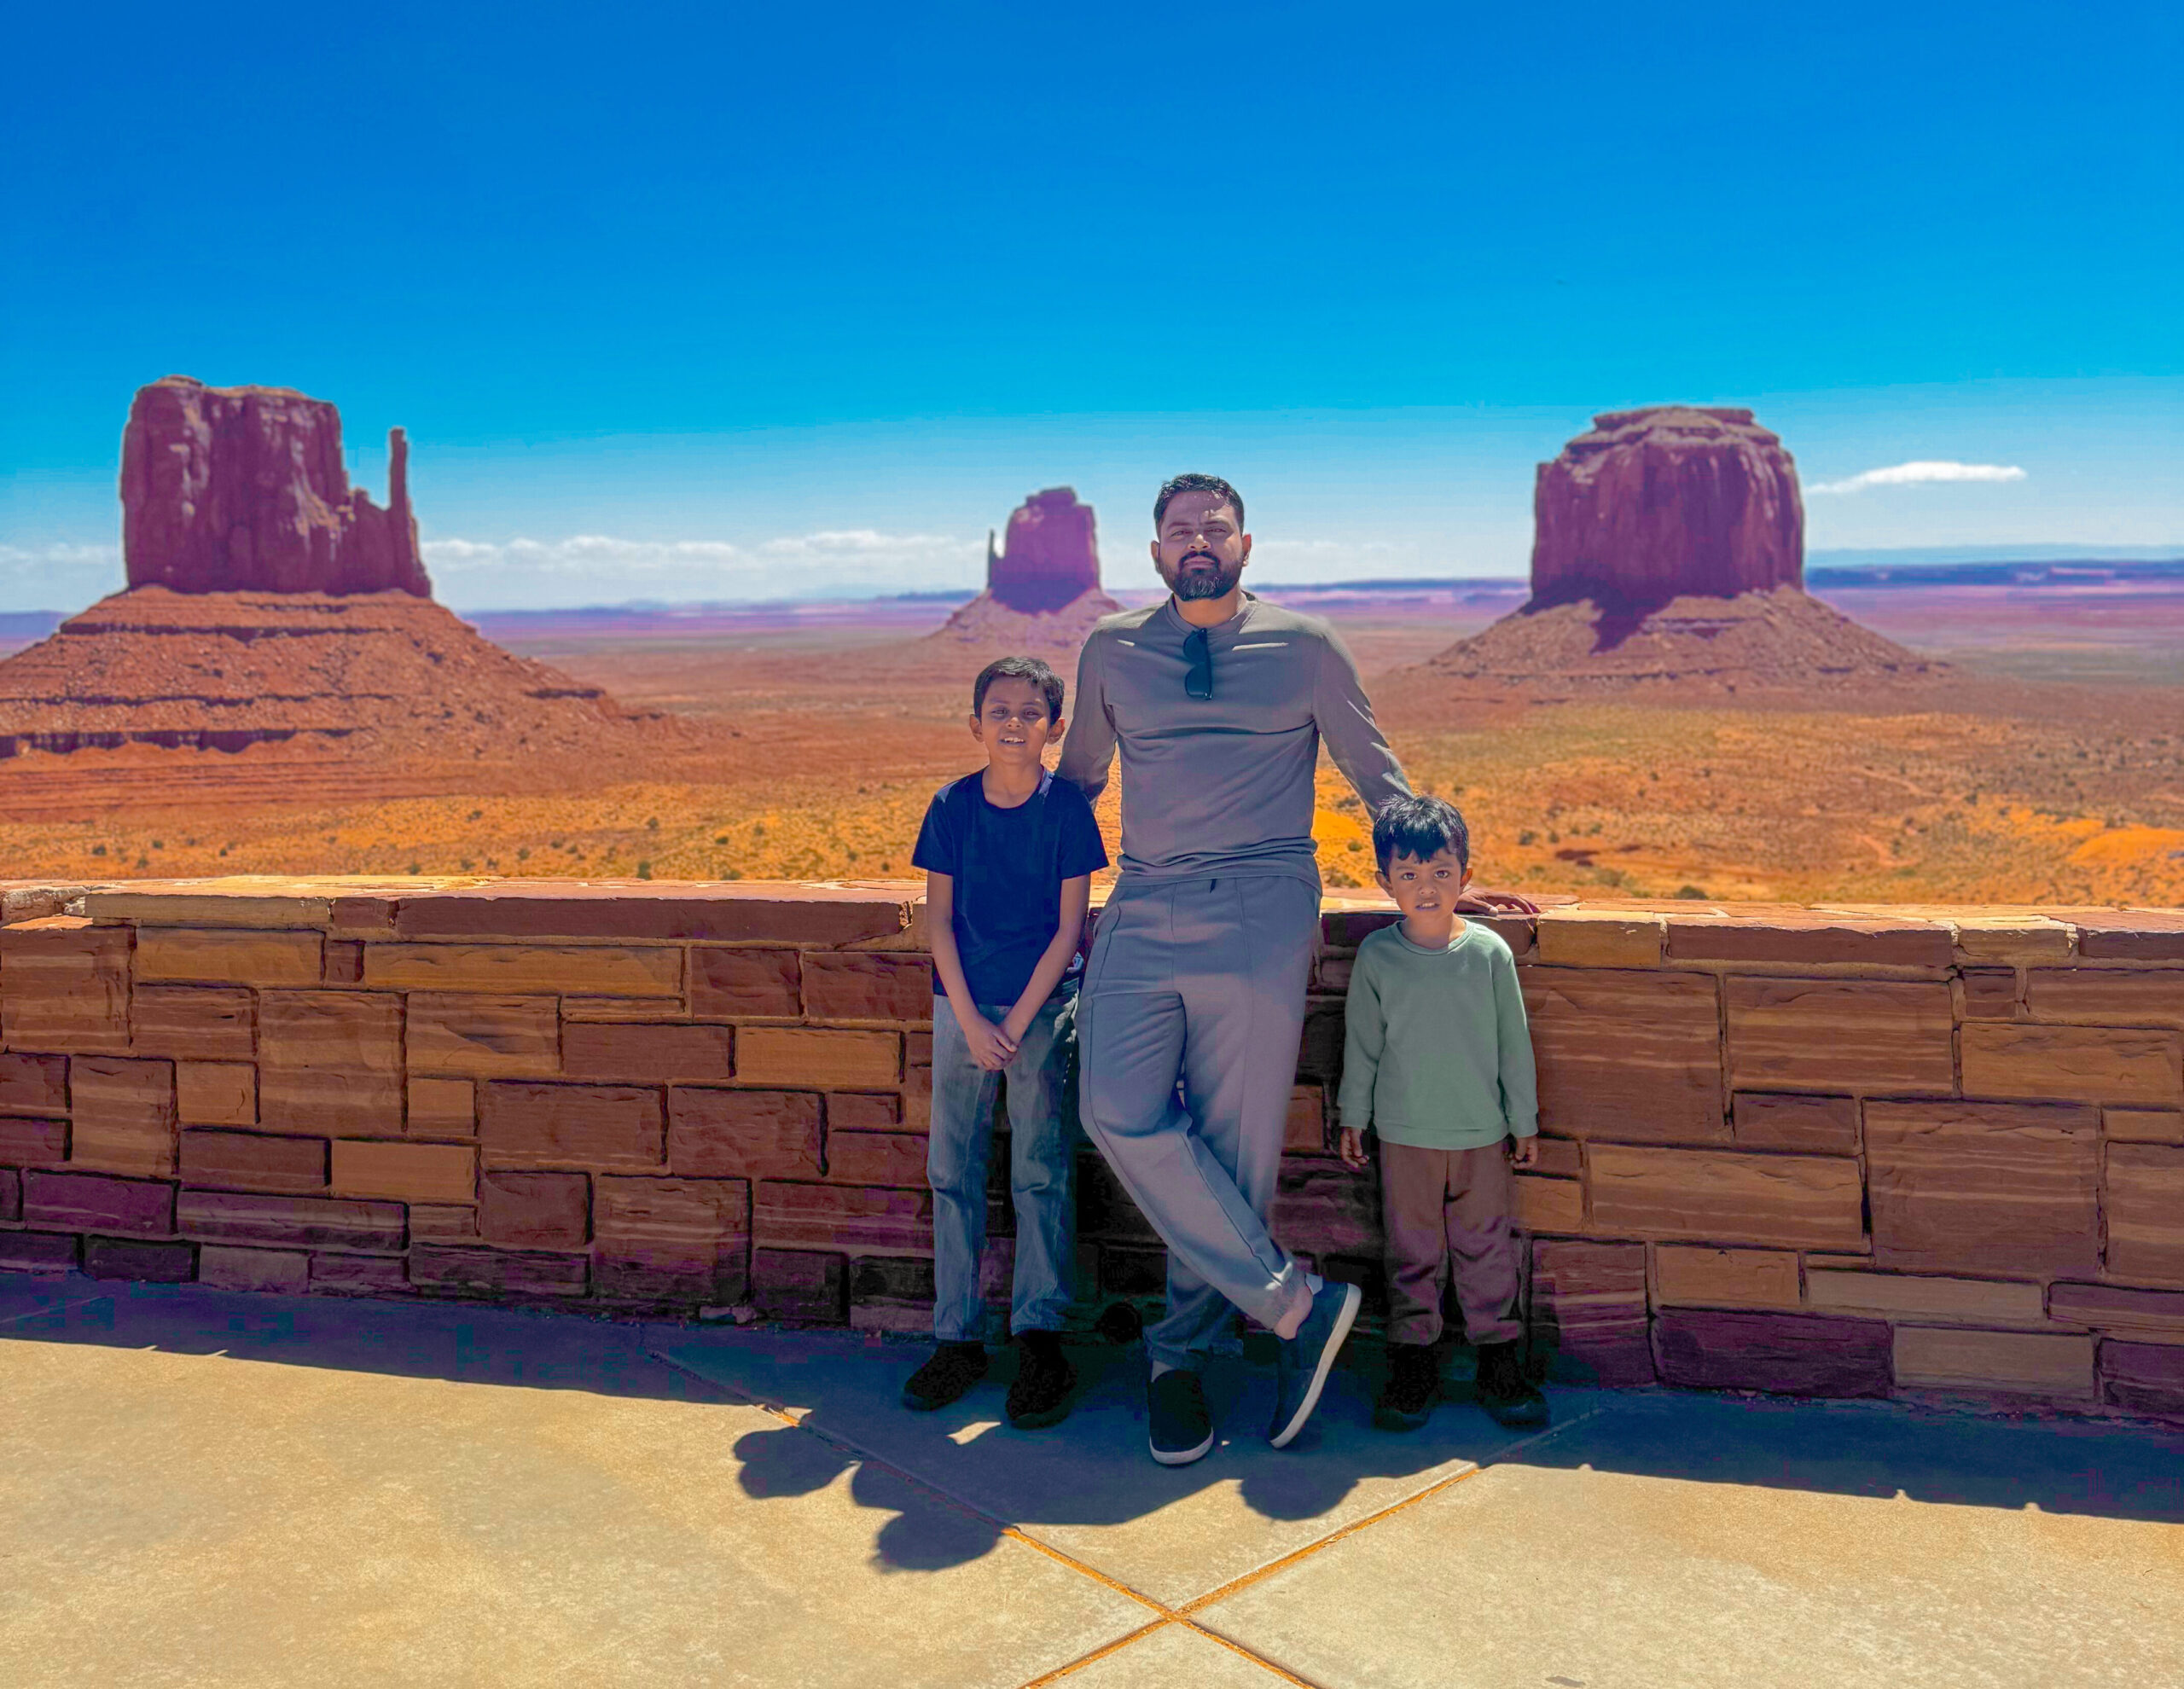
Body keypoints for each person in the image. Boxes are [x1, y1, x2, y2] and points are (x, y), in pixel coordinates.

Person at [1058, 473, 1527, 1466]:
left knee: (1235, 1153)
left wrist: (1439, 879)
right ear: (1154, 553)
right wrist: (993, 866)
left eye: (1215, 528)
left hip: (1261, 904)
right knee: (1113, 1110)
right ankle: (1295, 1307)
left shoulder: (1306, 646)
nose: (1197, 541)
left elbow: (1373, 771)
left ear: (1245, 545)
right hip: (1142, 900)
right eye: (1180, 530)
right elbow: (1077, 784)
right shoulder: (1110, 649)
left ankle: (1180, 1361)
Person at [902, 655, 1108, 1428]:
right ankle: (955, 1337)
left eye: (1030, 712)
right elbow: (938, 922)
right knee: (950, 1170)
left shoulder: (1066, 812)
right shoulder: (951, 806)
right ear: (975, 724)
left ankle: (1040, 1338)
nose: (1014, 723)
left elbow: (1069, 929)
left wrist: (1015, 1025)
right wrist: (971, 1018)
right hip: (959, 1007)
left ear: (1054, 727)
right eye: (1000, 711)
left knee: (1041, 1170)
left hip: (1042, 1013)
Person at [1337, 793, 1549, 1432]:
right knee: (1412, 1252)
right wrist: (1353, 1116)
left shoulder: (1489, 955)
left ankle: (1499, 1366)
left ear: (1465, 876)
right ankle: (1413, 1369)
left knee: (1487, 1251)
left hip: (1482, 1136)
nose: (1425, 888)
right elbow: (1363, 1046)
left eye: (1440, 873)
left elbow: (1513, 1045)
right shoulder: (1378, 958)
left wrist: (1524, 1121)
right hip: (1405, 1137)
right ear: (1385, 882)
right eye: (1408, 874)